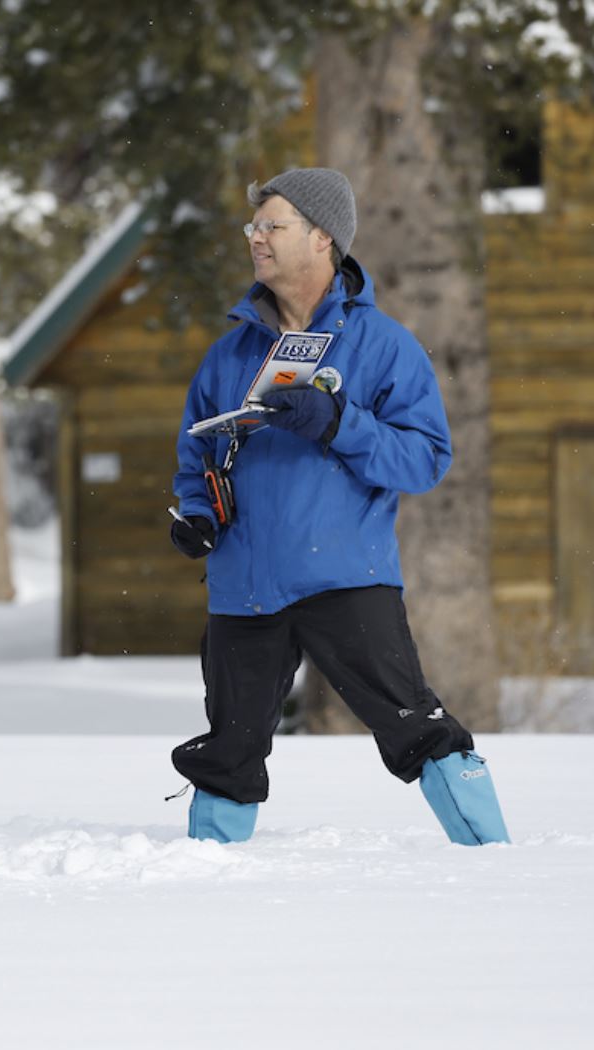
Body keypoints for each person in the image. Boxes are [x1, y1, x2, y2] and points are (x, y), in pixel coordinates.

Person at [168, 166, 508, 846]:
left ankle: (489, 855)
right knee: (229, 748)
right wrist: (196, 516)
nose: (255, 239)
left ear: (322, 238)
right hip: (243, 586)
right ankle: (203, 880)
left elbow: (424, 460)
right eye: (252, 227)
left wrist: (336, 422)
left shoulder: (382, 346)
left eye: (272, 225)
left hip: (343, 575)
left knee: (414, 724)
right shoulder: (228, 353)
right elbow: (194, 459)